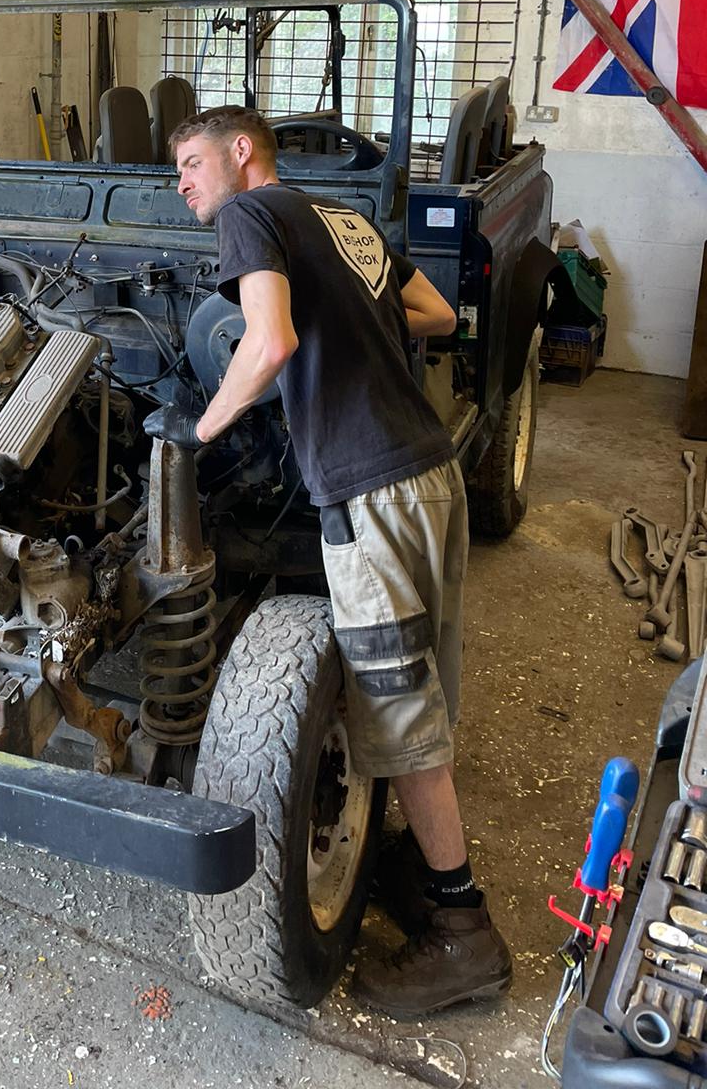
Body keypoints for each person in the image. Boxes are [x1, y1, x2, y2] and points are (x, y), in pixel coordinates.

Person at [143, 105, 511, 1018]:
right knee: (420, 689)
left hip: (371, 490)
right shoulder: (339, 218)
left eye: (190, 162)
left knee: (396, 715)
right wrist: (361, 335)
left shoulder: (249, 214)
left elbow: (266, 343)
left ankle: (464, 932)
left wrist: (201, 425)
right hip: (431, 476)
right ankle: (424, 872)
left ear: (240, 152)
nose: (182, 183)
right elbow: (429, 309)